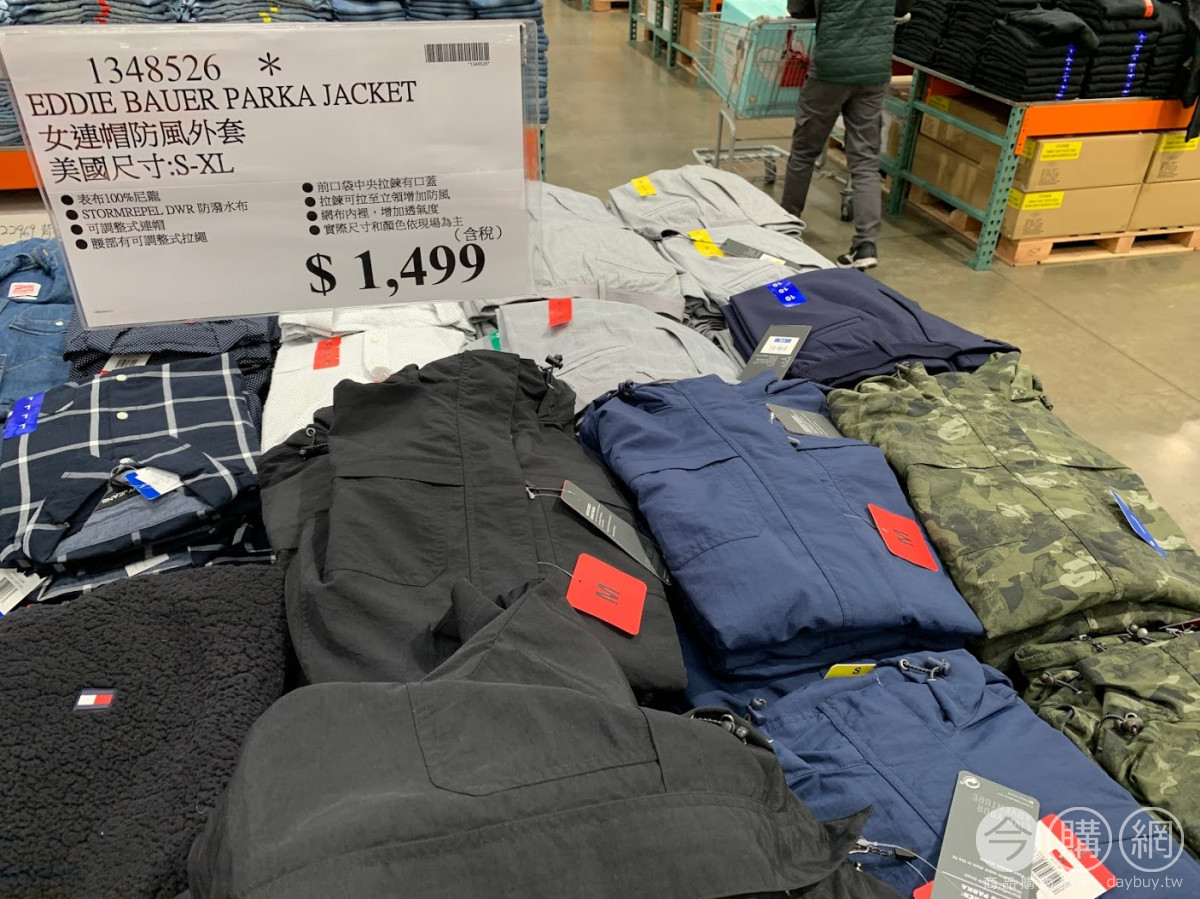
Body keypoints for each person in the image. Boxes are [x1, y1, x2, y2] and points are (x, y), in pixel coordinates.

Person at [782, 0, 911, 270]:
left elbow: (799, 8)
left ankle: (786, 228)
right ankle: (865, 245)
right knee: (865, 161)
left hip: (831, 69)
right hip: (874, 69)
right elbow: (902, 8)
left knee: (804, 153)